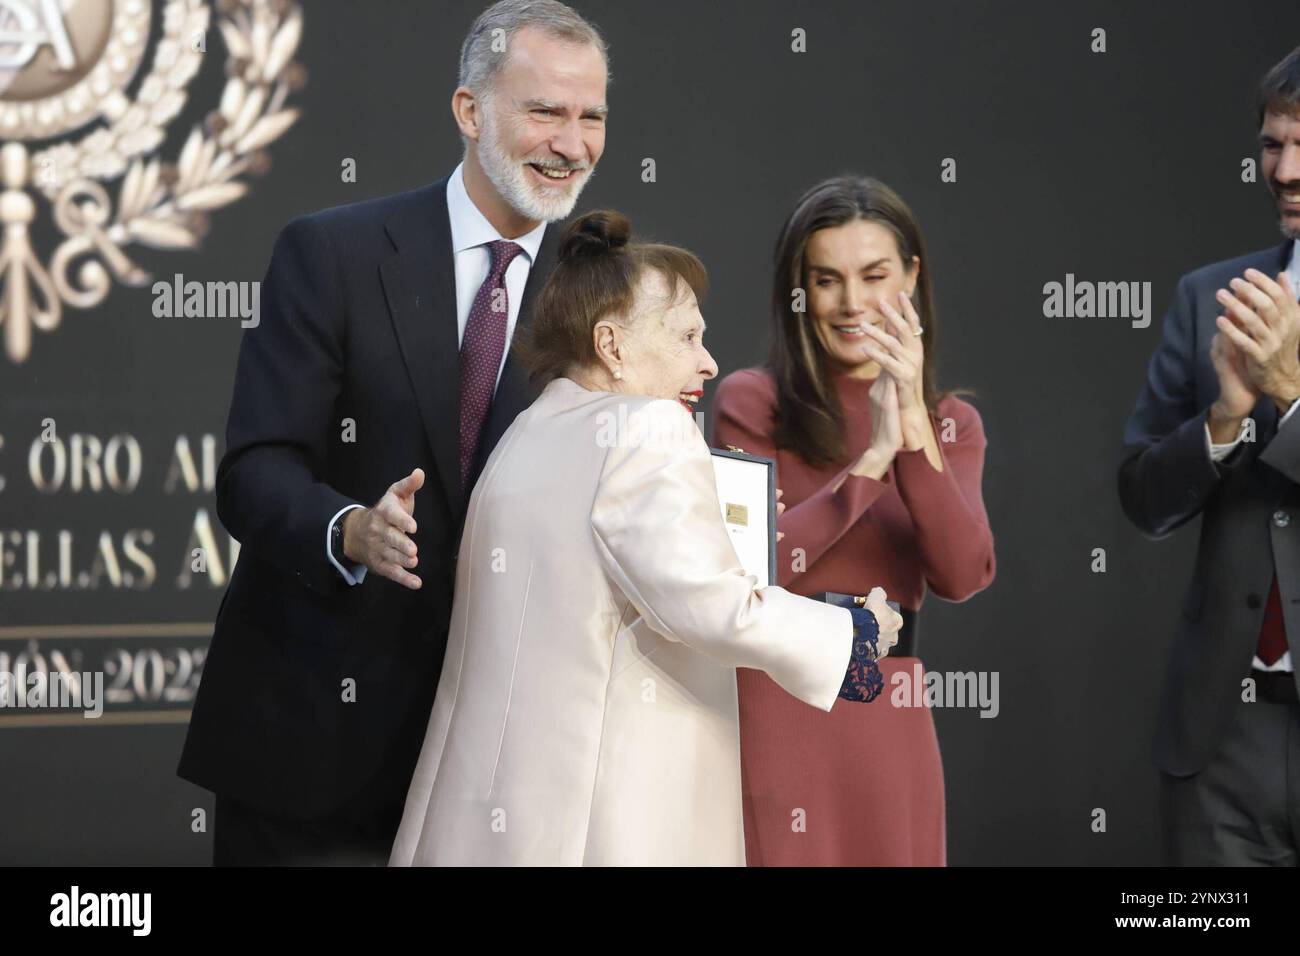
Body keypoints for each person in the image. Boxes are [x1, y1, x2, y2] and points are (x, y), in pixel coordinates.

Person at [177, 0, 610, 865]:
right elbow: (255, 470)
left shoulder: (604, 293)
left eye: (592, 116)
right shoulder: (330, 253)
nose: (572, 143)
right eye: (545, 111)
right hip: (311, 755)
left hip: (499, 773)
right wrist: (350, 528)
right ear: (470, 111)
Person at [388, 210, 905, 866]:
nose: (709, 361)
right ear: (612, 344)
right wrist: (854, 636)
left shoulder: (525, 432)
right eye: (688, 335)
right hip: (606, 828)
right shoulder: (650, 428)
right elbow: (710, 607)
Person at [712, 175, 996, 866]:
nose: (852, 303)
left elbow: (962, 574)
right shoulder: (753, 403)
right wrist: (871, 459)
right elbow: (754, 568)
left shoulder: (952, 422)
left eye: (874, 276)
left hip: (889, 719)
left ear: (912, 276)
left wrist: (912, 436)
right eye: (828, 279)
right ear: (799, 290)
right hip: (776, 710)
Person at [1118, 44, 1300, 866]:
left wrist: (1291, 396)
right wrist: (1223, 421)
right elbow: (1143, 497)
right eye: (1272, 144)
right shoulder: (1211, 297)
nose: (1285, 170)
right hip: (1222, 734)